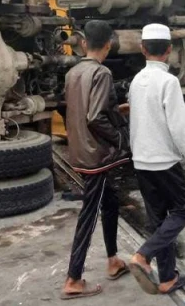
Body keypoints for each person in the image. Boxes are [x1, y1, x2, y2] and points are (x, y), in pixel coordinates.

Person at [127, 23, 185, 295]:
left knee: (160, 220)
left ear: (142, 49)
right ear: (169, 51)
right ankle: (143, 254)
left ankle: (167, 278)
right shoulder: (169, 82)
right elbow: (179, 130)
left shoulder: (136, 81)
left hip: (141, 162)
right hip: (164, 162)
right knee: (183, 210)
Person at [61, 20, 131, 300]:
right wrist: (120, 138)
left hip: (81, 149)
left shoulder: (73, 72)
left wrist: (116, 110)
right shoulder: (101, 73)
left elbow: (86, 110)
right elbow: (95, 117)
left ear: (83, 43)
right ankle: (73, 279)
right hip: (97, 155)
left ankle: (113, 260)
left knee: (110, 202)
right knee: (90, 214)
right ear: (109, 44)